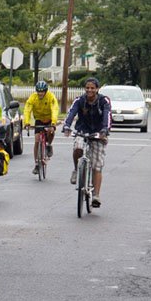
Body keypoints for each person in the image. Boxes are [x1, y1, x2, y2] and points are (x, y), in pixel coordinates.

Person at [63, 77, 111, 208]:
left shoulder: (104, 101)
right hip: (82, 130)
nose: (89, 90)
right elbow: (71, 113)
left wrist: (105, 130)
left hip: (98, 133)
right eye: (87, 88)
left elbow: (107, 116)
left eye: (92, 88)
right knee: (78, 147)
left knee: (97, 165)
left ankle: (96, 195)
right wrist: (66, 126)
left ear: (97, 89)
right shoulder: (79, 100)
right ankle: (76, 169)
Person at [23, 80, 60, 175]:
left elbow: (54, 109)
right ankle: (36, 164)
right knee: (37, 140)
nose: (40, 93)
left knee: (51, 132)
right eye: (38, 91)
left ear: (46, 91)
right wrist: (26, 122)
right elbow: (27, 109)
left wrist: (53, 122)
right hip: (39, 119)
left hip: (49, 119)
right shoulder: (33, 98)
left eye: (42, 91)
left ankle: (49, 145)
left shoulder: (50, 97)